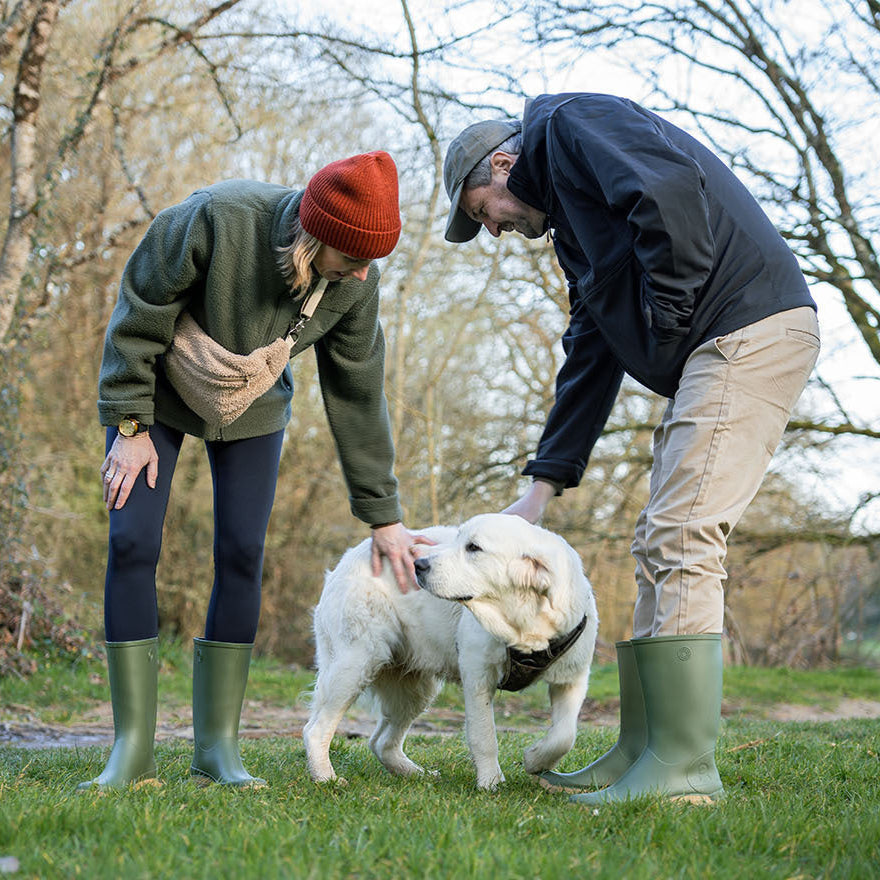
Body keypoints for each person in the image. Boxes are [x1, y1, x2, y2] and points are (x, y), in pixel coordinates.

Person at [443, 94, 820, 804]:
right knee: (655, 540)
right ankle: (643, 748)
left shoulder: (567, 125)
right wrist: (541, 487)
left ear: (503, 165)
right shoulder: (573, 230)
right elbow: (591, 349)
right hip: (712, 348)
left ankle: (680, 768)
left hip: (747, 328)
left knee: (683, 534)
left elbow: (667, 190)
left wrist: (668, 320)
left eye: (481, 211)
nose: (491, 230)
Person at [80, 151, 429, 791]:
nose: (364, 271)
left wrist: (384, 516)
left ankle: (217, 750)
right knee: (133, 543)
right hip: (155, 392)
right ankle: (131, 751)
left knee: (242, 554)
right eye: (354, 255)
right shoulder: (217, 218)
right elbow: (139, 310)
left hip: (253, 403)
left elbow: (357, 393)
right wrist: (129, 426)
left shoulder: (354, 284)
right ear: (315, 235)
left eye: (373, 259)